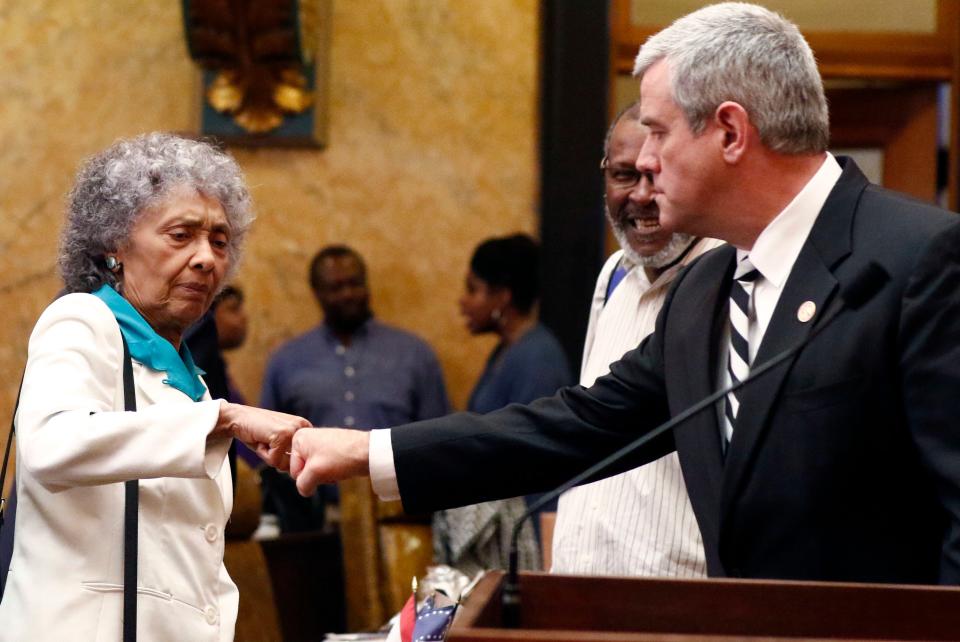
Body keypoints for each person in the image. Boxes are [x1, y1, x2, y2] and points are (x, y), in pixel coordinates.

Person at [289, 2, 960, 584]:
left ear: (730, 132)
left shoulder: (919, 259)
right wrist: (362, 451)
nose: (643, 161)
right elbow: (580, 425)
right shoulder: (704, 290)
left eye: (660, 132)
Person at [0, 133, 309, 641]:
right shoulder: (82, 319)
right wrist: (225, 419)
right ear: (114, 246)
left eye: (220, 240)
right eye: (181, 235)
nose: (207, 258)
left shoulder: (192, 379)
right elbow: (51, 445)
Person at [551, 103, 722, 577]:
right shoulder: (613, 276)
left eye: (658, 175)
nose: (642, 196)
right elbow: (587, 422)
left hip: (678, 596)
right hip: (578, 588)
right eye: (625, 175)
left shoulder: (730, 276)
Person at [260, 244, 450, 532]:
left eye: (355, 283)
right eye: (336, 287)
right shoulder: (287, 362)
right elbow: (271, 446)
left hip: (401, 520)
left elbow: (438, 438)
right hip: (317, 527)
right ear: (316, 292)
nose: (348, 294)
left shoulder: (413, 354)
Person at [433, 233, 573, 575]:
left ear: (502, 297)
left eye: (473, 289)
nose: (463, 302)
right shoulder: (507, 350)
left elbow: (533, 457)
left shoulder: (537, 358)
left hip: (532, 530)